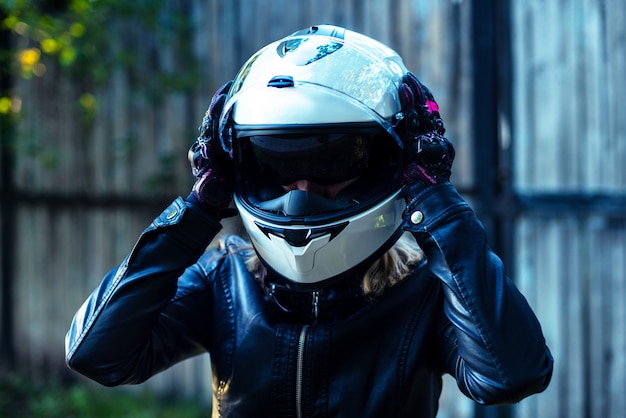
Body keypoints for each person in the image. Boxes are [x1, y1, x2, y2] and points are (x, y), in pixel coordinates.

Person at [65, 24, 553, 417]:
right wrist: (197, 210)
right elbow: (99, 353)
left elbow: (511, 374)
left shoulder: (422, 287)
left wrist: (436, 200)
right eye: (275, 165)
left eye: (330, 163)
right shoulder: (225, 279)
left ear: (391, 166)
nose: (301, 195)